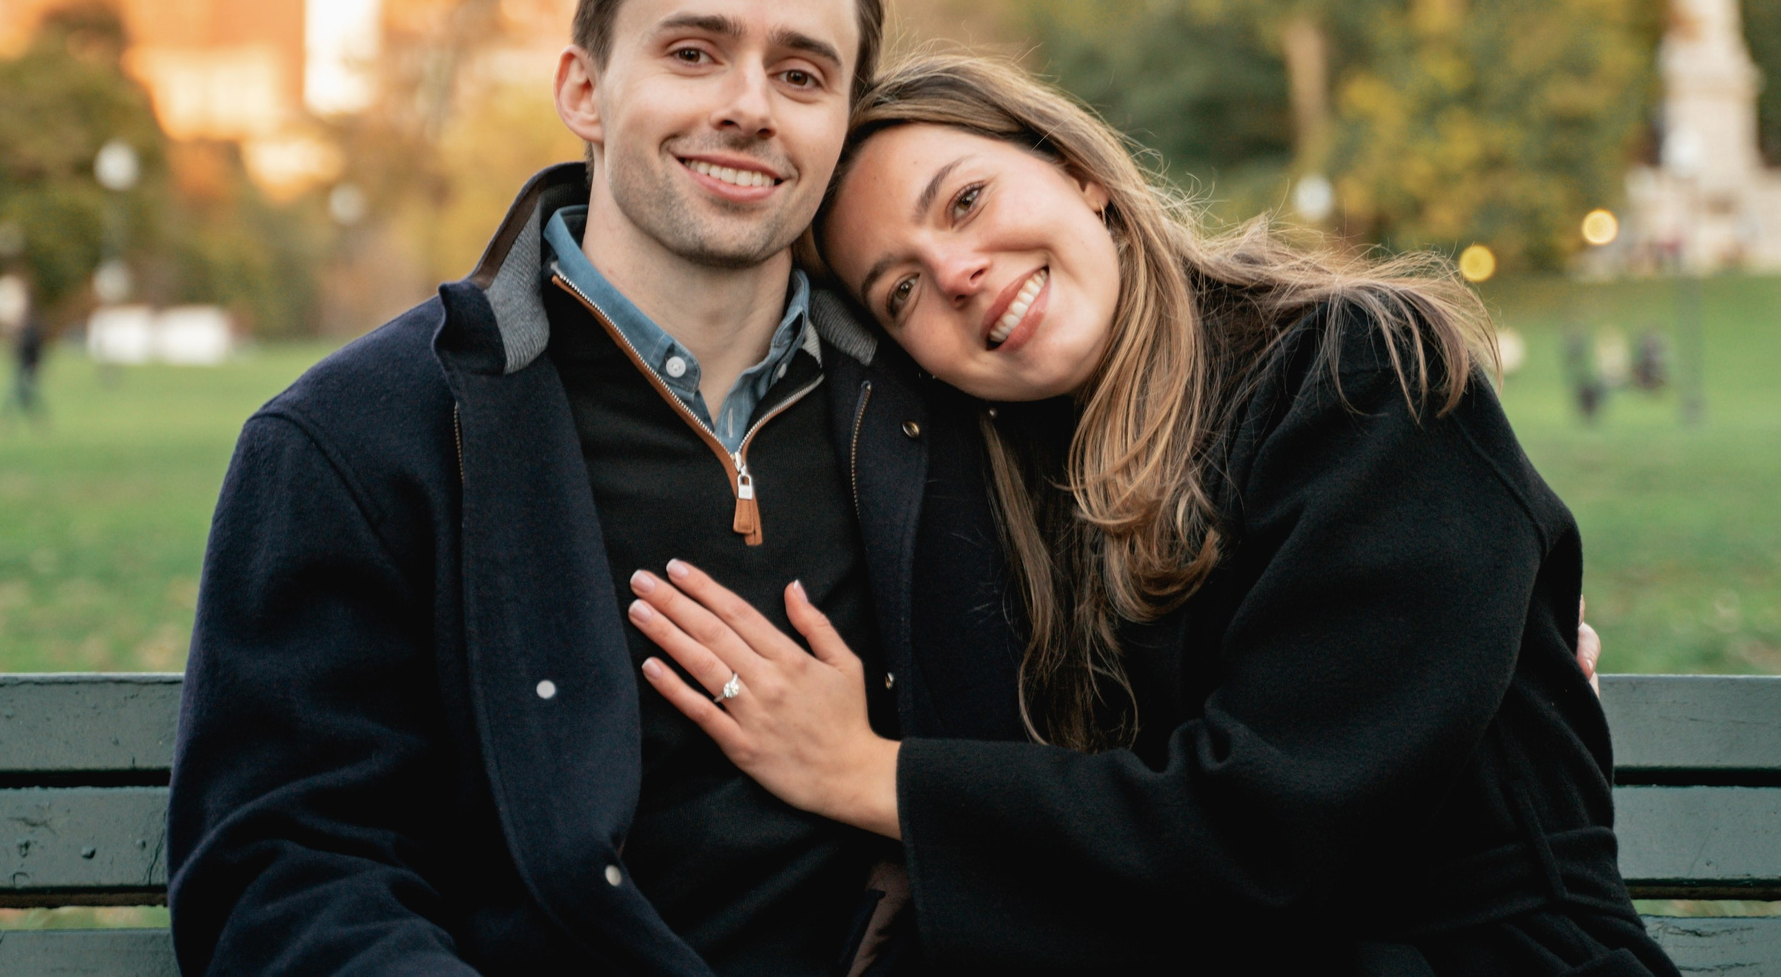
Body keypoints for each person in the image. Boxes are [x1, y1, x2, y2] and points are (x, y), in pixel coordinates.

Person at [165, 0, 1025, 977]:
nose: (747, 106)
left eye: (803, 75)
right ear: (582, 87)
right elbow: (284, 868)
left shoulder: (939, 420)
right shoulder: (357, 440)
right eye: (692, 52)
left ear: (841, 126)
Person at [627, 53, 1667, 974]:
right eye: (899, 292)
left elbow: (1271, 834)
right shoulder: (1024, 511)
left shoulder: (1356, 372)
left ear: (1081, 172)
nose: (954, 271)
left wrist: (865, 774)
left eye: (967, 199)